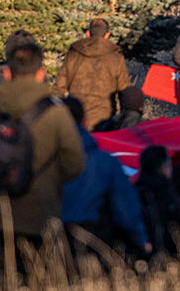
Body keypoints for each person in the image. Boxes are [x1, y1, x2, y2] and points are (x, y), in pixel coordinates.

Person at [0, 39, 85, 262]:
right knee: (32, 286)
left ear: (6, 72)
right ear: (41, 73)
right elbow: (75, 163)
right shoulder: (56, 114)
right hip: (39, 212)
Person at [61, 96, 150, 257]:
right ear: (84, 122)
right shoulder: (104, 161)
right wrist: (140, 239)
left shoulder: (37, 157)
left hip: (50, 238)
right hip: (94, 238)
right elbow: (125, 205)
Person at [53, 18, 131, 130]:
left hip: (76, 117)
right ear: (107, 35)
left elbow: (59, 88)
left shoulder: (73, 55)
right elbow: (125, 91)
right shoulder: (116, 58)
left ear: (88, 33)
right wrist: (125, 120)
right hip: (105, 119)